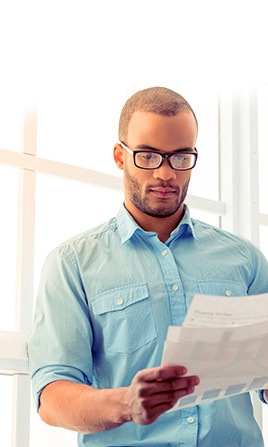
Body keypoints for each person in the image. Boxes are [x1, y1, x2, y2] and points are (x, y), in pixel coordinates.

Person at [28, 86, 268, 447]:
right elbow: (51, 397)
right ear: (119, 156)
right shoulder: (71, 263)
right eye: (148, 157)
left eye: (181, 158)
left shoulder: (245, 259)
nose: (166, 174)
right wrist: (125, 403)